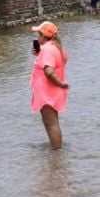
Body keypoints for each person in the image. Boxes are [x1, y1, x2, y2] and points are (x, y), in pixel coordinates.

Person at [30, 21, 69, 150]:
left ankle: (57, 153)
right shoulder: (57, 47)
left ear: (43, 36)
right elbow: (57, 63)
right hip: (53, 91)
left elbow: (49, 72)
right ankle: (57, 149)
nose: (37, 37)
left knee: (50, 123)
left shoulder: (47, 49)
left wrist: (61, 84)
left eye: (38, 34)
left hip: (47, 91)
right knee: (53, 122)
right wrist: (39, 55)